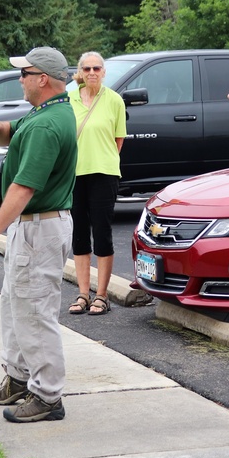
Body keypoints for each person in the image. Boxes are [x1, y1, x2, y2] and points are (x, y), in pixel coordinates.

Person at [0, 47, 78, 423]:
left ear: (43, 80)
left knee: (35, 311)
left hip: (40, 226)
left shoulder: (48, 125)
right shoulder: (45, 113)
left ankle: (48, 395)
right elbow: (13, 133)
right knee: (15, 305)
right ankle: (19, 379)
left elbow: (23, 188)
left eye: (25, 73)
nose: (19, 78)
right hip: (36, 226)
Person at [67, 51, 126, 317]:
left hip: (104, 173)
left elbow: (118, 140)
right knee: (79, 233)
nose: (92, 73)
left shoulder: (114, 100)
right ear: (80, 72)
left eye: (97, 69)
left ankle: (101, 295)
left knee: (102, 232)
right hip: (75, 174)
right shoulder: (69, 99)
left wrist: (105, 160)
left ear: (104, 72)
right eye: (87, 68)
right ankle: (82, 293)